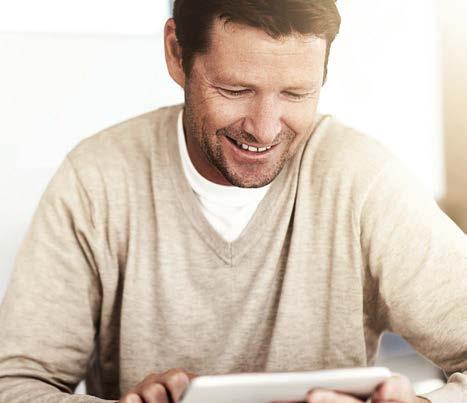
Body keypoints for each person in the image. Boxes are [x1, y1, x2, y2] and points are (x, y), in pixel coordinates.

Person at [0, 0, 465, 402]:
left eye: (296, 93)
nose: (264, 129)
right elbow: (15, 385)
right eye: (235, 90)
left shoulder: (363, 182)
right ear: (176, 53)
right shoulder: (96, 180)